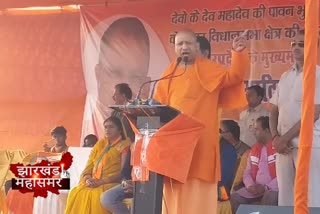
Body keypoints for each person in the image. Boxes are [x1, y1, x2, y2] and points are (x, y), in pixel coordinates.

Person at [153, 29, 250, 214]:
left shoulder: (208, 68)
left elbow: (235, 77)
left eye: (188, 43)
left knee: (197, 201)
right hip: (174, 148)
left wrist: (238, 52)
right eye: (179, 44)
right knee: (172, 201)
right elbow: (157, 107)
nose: (184, 47)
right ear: (174, 48)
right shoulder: (169, 72)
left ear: (196, 46)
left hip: (201, 146)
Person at [269, 29, 320, 207]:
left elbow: (313, 113)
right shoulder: (285, 76)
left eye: (302, 44)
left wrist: (285, 138)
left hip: (308, 145)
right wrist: (275, 136)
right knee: (285, 198)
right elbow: (274, 109)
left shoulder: (318, 75)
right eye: (294, 44)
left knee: (311, 196)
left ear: (313, 47)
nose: (296, 48)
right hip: (283, 148)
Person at [65, 116, 131, 214]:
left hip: (111, 182)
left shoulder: (124, 145)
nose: (107, 130)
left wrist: (101, 182)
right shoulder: (101, 143)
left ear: (120, 130)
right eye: (105, 127)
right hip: (94, 181)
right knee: (76, 192)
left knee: (95, 195)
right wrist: (87, 179)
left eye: (111, 127)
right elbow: (89, 164)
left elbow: (122, 173)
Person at [230, 116, 278, 213]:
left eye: (256, 129)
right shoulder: (254, 149)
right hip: (255, 189)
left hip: (273, 189)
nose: (254, 132)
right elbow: (247, 173)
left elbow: (283, 176)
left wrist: (265, 187)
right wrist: (250, 185)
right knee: (234, 198)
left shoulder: (278, 148)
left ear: (267, 130)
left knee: (270, 196)